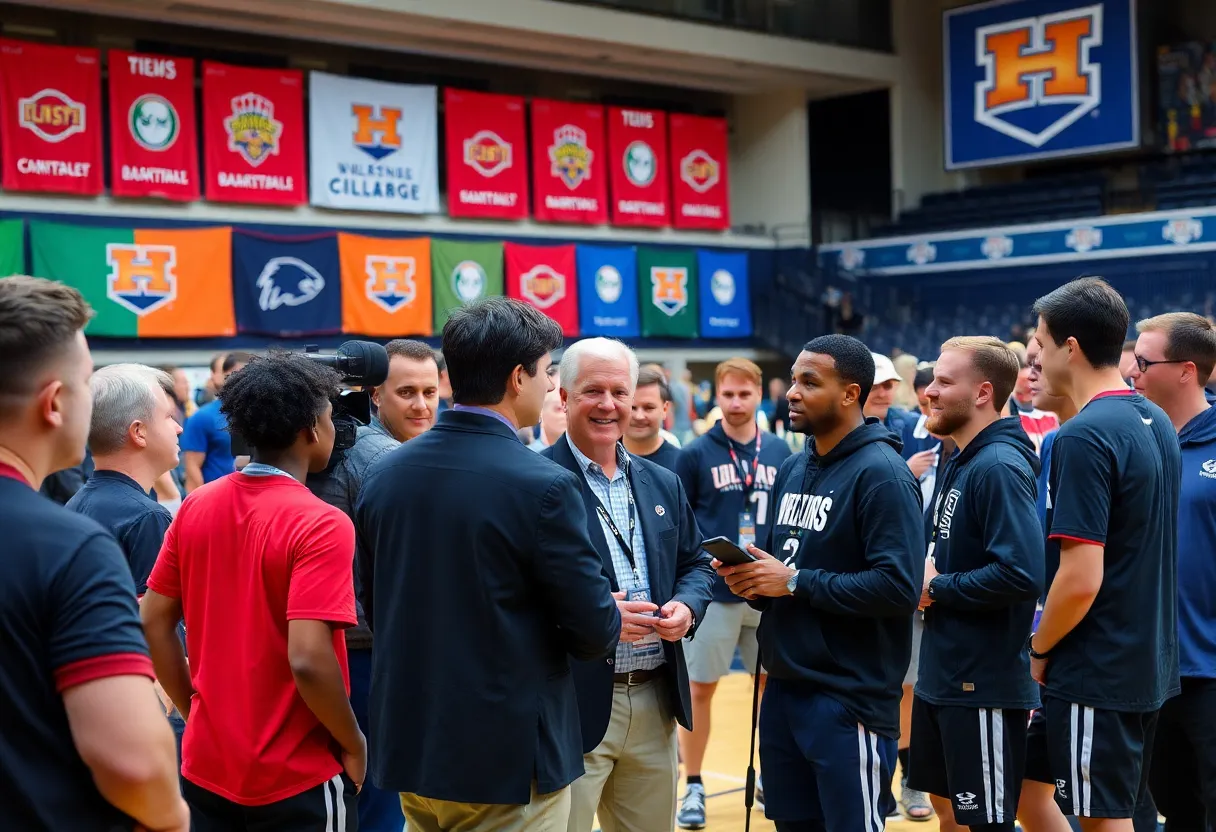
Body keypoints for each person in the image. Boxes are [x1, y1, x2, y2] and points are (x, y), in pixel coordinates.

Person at [356, 297, 621, 831]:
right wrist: (603, 611)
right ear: (518, 377)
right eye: (547, 371)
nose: (551, 385)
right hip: (506, 758)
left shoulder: (384, 475)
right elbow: (594, 630)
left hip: (414, 746)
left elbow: (374, 603)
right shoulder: (545, 485)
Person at [141, 353, 364, 830]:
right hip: (297, 773)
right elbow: (308, 657)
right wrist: (354, 741)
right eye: (330, 416)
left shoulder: (197, 505)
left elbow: (153, 621)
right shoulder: (322, 523)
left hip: (207, 764)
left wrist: (194, 711)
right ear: (311, 429)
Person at [0, 276, 188, 831]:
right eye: (86, 381)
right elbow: (133, 761)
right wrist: (172, 817)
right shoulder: (69, 547)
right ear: (56, 402)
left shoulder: (72, 521)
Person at [716, 334, 924, 832]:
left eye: (810, 382)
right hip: (784, 689)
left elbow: (898, 588)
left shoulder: (884, 475)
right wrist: (754, 583)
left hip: (848, 697)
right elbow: (788, 568)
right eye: (793, 380)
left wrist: (793, 582)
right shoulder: (793, 466)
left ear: (850, 394)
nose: (792, 392)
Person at [542, 337, 715, 832]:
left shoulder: (663, 481)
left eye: (620, 392)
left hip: (654, 699)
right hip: (571, 703)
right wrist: (595, 616)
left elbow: (696, 563)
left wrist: (687, 607)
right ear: (564, 397)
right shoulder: (536, 481)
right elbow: (512, 594)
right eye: (593, 391)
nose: (608, 404)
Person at [1028, 277, 1180, 832]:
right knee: (1027, 785)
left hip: (1096, 668)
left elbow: (1081, 577)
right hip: (1145, 659)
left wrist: (1039, 649)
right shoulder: (1155, 419)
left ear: (1069, 347)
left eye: (1041, 343)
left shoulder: (1083, 435)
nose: (1036, 357)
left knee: (1102, 820)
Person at [907, 337, 1045, 832]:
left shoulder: (999, 466)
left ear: (984, 392)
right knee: (947, 808)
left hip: (981, 682)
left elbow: (1021, 572)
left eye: (944, 382)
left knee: (985, 820)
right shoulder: (963, 457)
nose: (929, 391)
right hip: (944, 673)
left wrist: (938, 587)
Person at [307, 338, 439, 832]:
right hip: (364, 649)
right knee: (378, 796)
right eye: (406, 392)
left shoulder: (379, 450)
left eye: (430, 392)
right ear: (375, 394)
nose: (421, 405)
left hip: (347, 644)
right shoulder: (378, 456)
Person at [674, 358, 792, 830]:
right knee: (700, 688)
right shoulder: (694, 453)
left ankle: (769, 777)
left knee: (770, 688)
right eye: (728, 394)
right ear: (716, 395)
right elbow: (683, 524)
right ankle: (694, 784)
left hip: (766, 589)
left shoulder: (781, 449)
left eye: (745, 394)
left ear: (759, 395)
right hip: (716, 591)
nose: (737, 402)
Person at [1130, 313, 1216, 830]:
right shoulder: (1135, 440)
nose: (1132, 371)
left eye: (1143, 362)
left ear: (1187, 370)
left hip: (1211, 671)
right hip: (1151, 672)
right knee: (1175, 812)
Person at [867, 351, 935, 821]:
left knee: (909, 687)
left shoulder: (916, 426)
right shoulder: (831, 439)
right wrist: (903, 474)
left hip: (914, 576)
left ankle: (909, 779)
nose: (883, 391)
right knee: (879, 686)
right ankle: (879, 782)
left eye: (889, 384)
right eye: (876, 384)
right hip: (867, 581)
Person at [67, 365, 182, 596]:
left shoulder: (75, 504)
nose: (178, 428)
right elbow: (152, 616)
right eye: (169, 416)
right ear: (138, 432)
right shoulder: (146, 518)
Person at [181, 351, 252, 492]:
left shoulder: (261, 415)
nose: (243, 381)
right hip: (219, 497)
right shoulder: (203, 417)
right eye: (235, 375)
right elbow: (192, 469)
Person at [623, 366, 681, 471]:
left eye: (648, 408)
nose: (639, 416)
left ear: (665, 409)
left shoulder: (682, 464)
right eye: (632, 408)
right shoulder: (599, 458)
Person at [531, 385, 568, 452]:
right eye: (559, 409)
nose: (565, 415)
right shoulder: (528, 454)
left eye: (567, 409)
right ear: (541, 412)